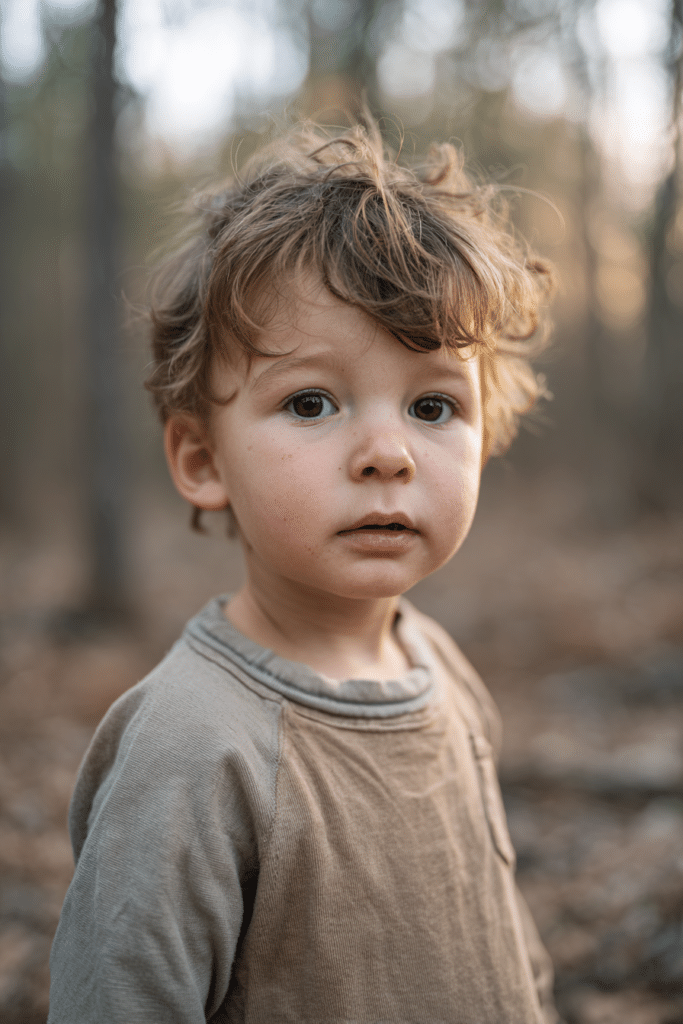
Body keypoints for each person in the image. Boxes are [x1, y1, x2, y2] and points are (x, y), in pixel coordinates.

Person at [48, 119, 558, 1023]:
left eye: (433, 404)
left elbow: (500, 939)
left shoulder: (440, 671)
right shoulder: (194, 749)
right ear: (203, 459)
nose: (386, 454)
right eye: (311, 401)